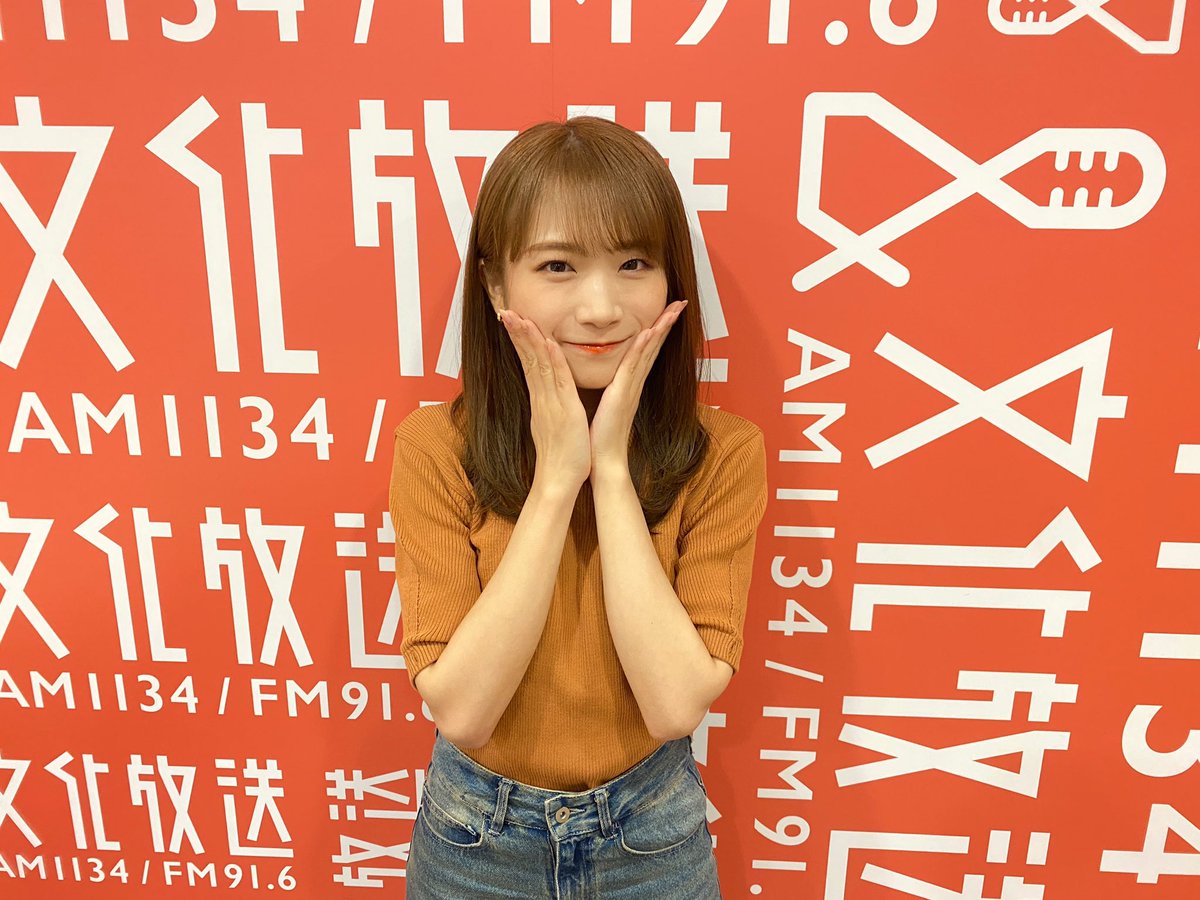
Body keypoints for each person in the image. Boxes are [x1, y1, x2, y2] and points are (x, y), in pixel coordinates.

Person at [389, 115, 768, 898]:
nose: (601, 308)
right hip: (473, 839)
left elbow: (673, 705)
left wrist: (613, 473)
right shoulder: (435, 447)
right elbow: (464, 711)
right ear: (496, 284)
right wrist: (557, 481)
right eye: (558, 265)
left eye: (634, 263)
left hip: (651, 836)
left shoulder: (725, 453)